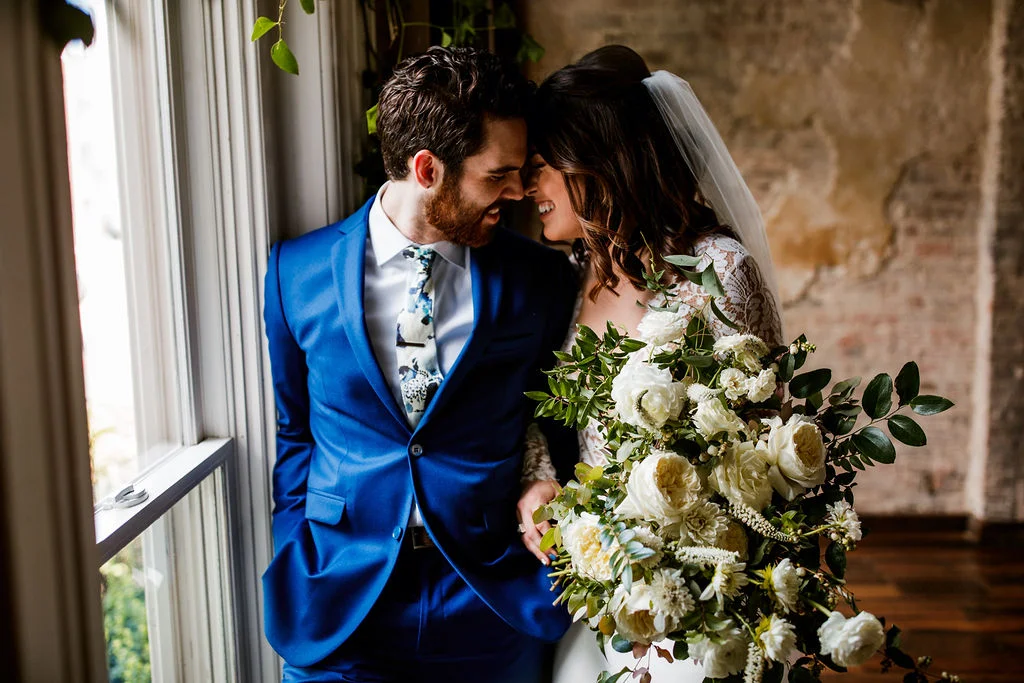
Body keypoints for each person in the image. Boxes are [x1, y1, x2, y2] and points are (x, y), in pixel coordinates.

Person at [262, 46, 579, 683]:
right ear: (427, 168)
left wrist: (545, 490)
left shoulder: (542, 280)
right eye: (498, 175)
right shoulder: (295, 272)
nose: (518, 192)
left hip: (491, 602)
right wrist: (292, 544)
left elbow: (559, 421)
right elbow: (296, 433)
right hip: (342, 604)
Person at [517, 45, 785, 683]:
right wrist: (540, 479)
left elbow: (767, 444)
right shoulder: (573, 272)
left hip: (699, 586)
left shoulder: (719, 270)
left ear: (597, 164)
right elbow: (541, 406)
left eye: (541, 167)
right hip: (599, 579)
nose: (529, 187)